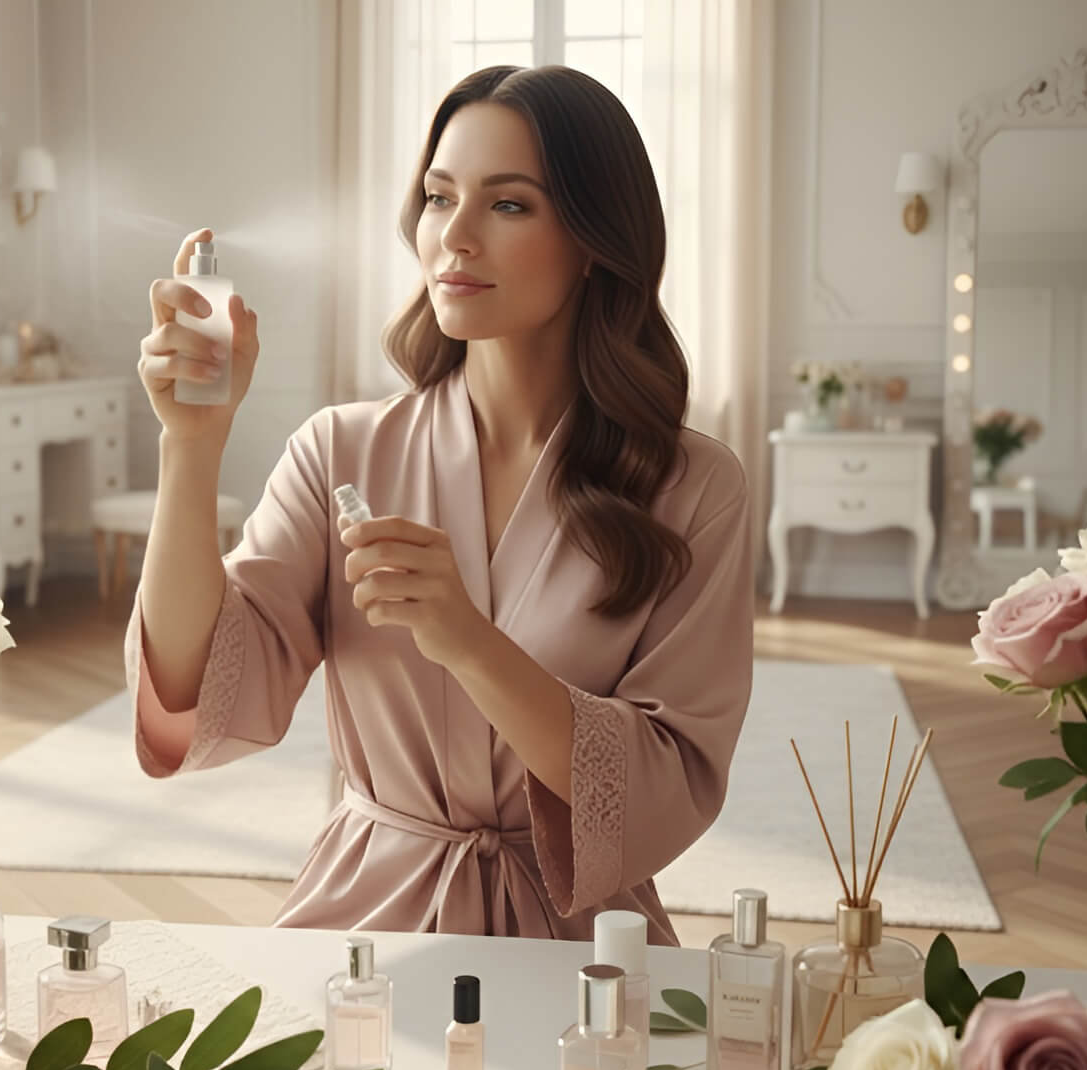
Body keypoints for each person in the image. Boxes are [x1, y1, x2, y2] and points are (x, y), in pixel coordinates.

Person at [125, 65, 753, 945]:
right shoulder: (341, 451)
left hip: (582, 945)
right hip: (364, 922)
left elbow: (670, 782)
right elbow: (196, 687)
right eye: (436, 196)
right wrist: (190, 448)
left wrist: (469, 641)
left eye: (508, 205)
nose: (453, 236)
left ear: (593, 239)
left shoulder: (693, 487)